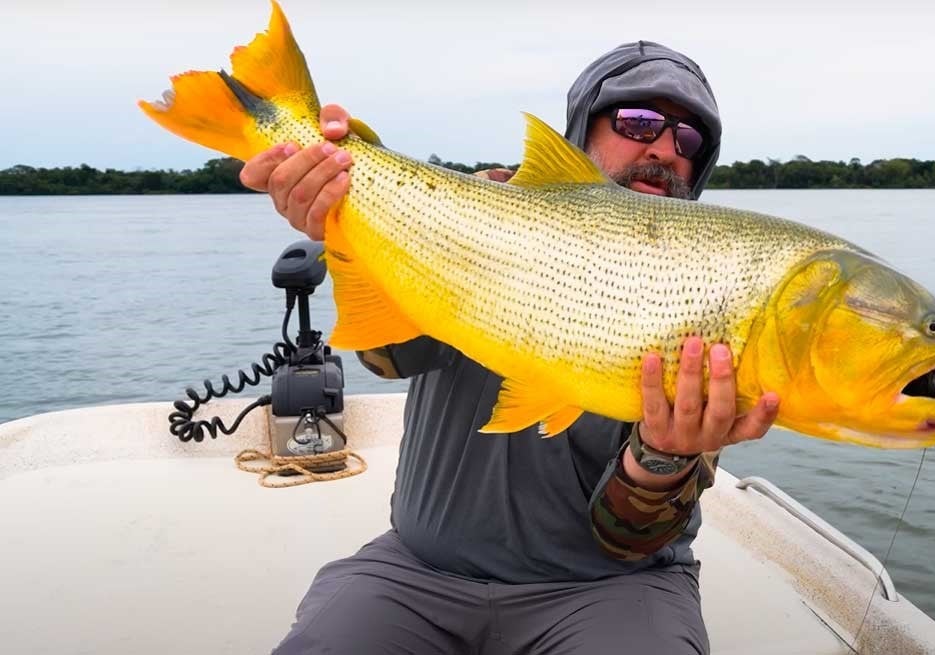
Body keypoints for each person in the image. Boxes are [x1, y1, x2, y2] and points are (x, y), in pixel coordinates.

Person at [239, 41, 780, 655]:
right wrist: (344, 225)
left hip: (607, 589)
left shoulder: (720, 290)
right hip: (419, 572)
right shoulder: (480, 209)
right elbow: (390, 357)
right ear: (580, 132)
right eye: (638, 123)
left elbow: (633, 540)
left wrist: (663, 457)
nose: (662, 149)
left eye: (688, 142)